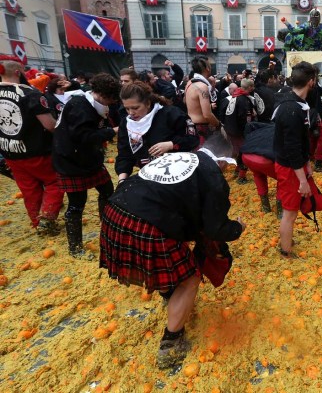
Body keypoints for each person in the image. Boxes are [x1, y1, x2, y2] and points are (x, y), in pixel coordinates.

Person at [100, 132, 245, 369]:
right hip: (146, 223)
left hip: (114, 213)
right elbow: (215, 228)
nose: (226, 171)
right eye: (227, 167)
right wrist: (237, 228)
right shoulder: (213, 176)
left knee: (172, 261)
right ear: (223, 161)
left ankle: (169, 296)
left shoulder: (182, 156)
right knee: (190, 279)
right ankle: (171, 343)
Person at [52, 73, 121, 258]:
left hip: (90, 158)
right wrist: (111, 132)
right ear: (105, 96)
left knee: (107, 190)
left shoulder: (89, 101)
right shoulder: (80, 106)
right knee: (76, 203)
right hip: (71, 161)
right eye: (112, 100)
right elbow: (83, 138)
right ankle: (75, 248)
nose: (111, 104)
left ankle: (107, 229)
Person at [0, 57, 63, 234]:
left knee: (29, 189)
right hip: (37, 150)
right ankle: (47, 218)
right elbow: (50, 125)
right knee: (55, 181)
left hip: (10, 152)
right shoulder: (30, 94)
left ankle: (37, 222)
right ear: (18, 73)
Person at [273, 61, 322, 257]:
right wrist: (303, 180)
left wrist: (307, 165)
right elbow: (292, 148)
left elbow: (300, 142)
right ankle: (285, 251)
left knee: (292, 210)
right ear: (311, 82)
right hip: (288, 168)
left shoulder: (294, 103)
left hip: (293, 165)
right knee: (290, 212)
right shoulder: (292, 110)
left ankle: (286, 242)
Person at [115, 81, 199, 183]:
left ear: (148, 103)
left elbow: (193, 139)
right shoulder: (127, 123)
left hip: (179, 174)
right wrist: (122, 179)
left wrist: (171, 144)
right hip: (149, 176)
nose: (131, 113)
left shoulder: (171, 114)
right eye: (127, 108)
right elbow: (124, 154)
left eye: (135, 108)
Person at [240, 122, 281, 215]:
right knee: (283, 179)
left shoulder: (265, 127)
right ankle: (280, 211)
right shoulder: (283, 133)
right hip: (264, 160)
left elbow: (249, 125)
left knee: (258, 175)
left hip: (247, 156)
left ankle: (265, 206)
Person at [220, 78, 254, 184]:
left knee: (238, 152)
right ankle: (241, 177)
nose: (253, 88)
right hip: (238, 131)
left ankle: (237, 170)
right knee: (244, 152)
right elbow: (244, 118)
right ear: (249, 87)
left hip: (230, 129)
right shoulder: (243, 99)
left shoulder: (235, 96)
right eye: (252, 86)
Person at [184, 57, 220, 147]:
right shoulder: (202, 86)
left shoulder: (189, 83)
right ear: (207, 68)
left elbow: (185, 101)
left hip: (191, 127)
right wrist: (219, 125)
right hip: (201, 128)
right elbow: (207, 115)